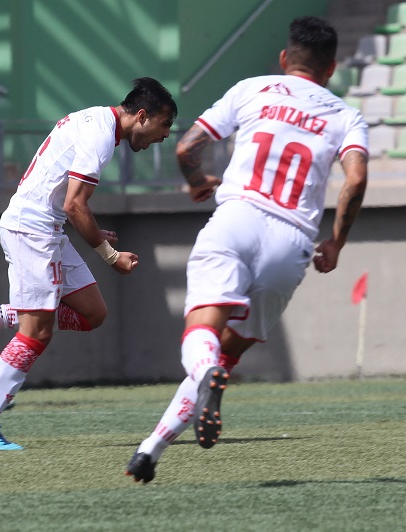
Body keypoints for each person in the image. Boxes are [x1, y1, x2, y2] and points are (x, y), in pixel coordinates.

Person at [125, 16, 369, 483]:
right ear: (332, 68)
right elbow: (355, 179)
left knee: (201, 339)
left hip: (237, 219)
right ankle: (150, 451)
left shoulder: (252, 89)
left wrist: (197, 182)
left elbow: (186, 149)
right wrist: (335, 240)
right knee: (223, 357)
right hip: (293, 242)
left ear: (284, 59)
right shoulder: (345, 115)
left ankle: (202, 380)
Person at [0, 77, 178, 451]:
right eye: (164, 125)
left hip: (48, 230)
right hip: (32, 231)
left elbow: (66, 201)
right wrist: (110, 256)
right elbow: (73, 204)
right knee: (37, 332)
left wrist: (91, 230)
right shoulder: (100, 138)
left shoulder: (96, 120)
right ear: (142, 116)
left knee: (93, 313)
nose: (165, 136)